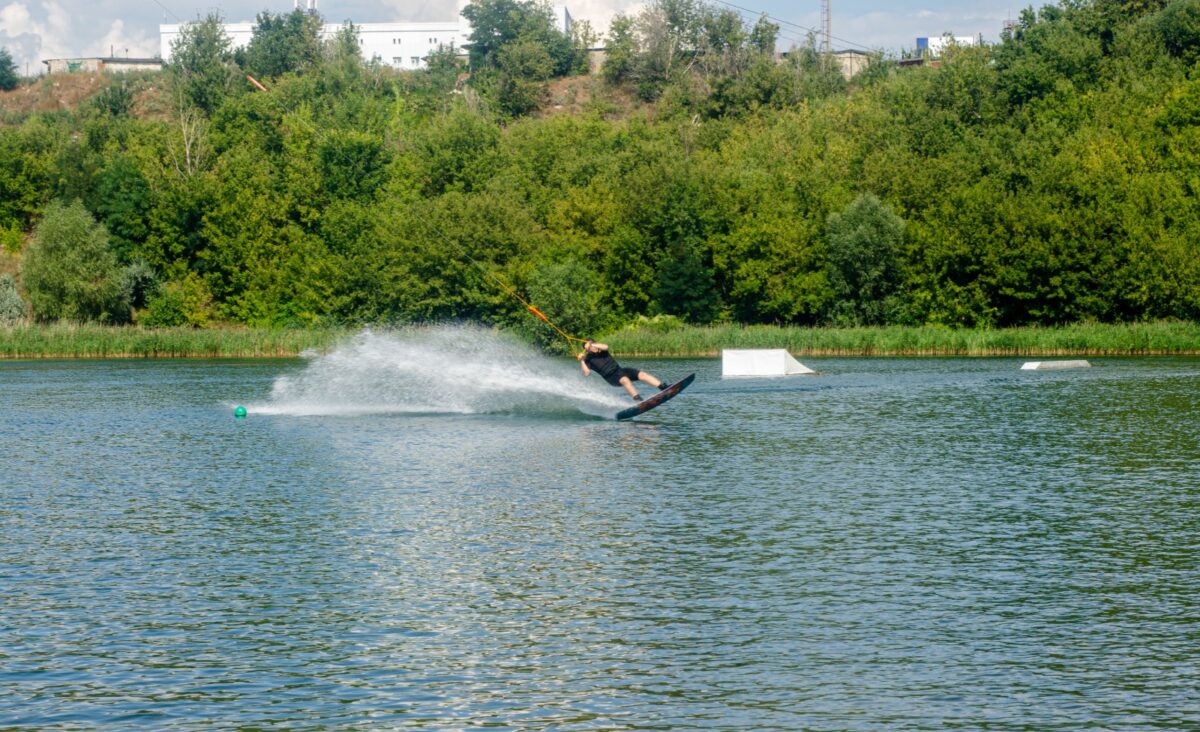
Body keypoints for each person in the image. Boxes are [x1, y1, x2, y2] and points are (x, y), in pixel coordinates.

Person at [578, 339, 669, 402]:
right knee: (624, 380)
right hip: (611, 378)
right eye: (589, 347)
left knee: (642, 374)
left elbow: (606, 346)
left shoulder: (602, 350)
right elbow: (586, 373)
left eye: (593, 345)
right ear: (586, 349)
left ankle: (663, 387)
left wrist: (591, 344)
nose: (593, 347)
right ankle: (638, 400)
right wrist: (582, 360)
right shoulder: (588, 359)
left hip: (620, 370)